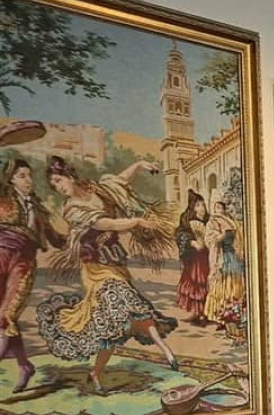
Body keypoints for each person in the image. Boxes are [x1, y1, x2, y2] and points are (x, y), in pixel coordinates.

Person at [35, 155, 180, 393]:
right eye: (54, 185)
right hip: (95, 268)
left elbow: (119, 182)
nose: (58, 187)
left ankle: (96, 373)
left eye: (59, 180)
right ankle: (167, 352)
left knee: (120, 320)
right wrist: (136, 222)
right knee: (125, 301)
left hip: (114, 261)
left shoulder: (96, 188)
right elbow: (107, 224)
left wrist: (138, 165)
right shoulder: (71, 210)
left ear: (69, 175)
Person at [0, 158, 63, 391]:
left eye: (29, 176)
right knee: (5, 320)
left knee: (7, 315)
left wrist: (80, 235)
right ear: (11, 180)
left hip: (23, 263)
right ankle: (25, 366)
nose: (28, 180)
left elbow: (57, 240)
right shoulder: (3, 201)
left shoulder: (39, 210)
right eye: (22, 176)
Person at [202, 199, 246, 327]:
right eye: (216, 207)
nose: (218, 210)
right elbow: (209, 238)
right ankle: (219, 313)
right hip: (221, 256)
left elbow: (239, 236)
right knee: (221, 282)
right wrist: (221, 236)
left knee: (235, 281)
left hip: (233, 255)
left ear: (224, 209)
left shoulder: (231, 221)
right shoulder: (213, 221)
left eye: (220, 207)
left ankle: (234, 312)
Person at [173, 188, 211, 324]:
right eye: (198, 205)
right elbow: (180, 234)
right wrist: (191, 242)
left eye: (203, 205)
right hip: (194, 258)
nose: (202, 208)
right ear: (193, 207)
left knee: (204, 281)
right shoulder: (187, 220)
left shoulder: (209, 221)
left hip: (206, 257)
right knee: (194, 282)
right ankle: (196, 312)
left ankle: (205, 313)